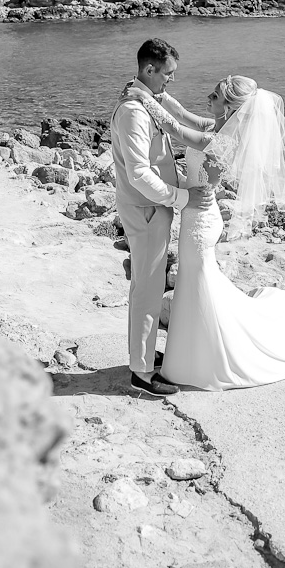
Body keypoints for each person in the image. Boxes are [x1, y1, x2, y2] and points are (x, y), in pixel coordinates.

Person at [122, 75, 285, 390]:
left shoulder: (224, 141)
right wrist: (154, 94)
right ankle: (193, 354)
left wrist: (144, 100)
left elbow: (175, 129)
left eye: (215, 95)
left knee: (198, 283)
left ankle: (203, 358)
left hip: (200, 221)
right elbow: (181, 114)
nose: (208, 97)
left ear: (230, 107)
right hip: (197, 214)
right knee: (196, 284)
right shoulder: (215, 128)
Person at [111, 39, 215, 396]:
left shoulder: (148, 99)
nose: (171, 80)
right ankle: (141, 374)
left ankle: (140, 354)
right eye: (168, 74)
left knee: (145, 285)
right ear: (149, 69)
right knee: (148, 289)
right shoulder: (134, 112)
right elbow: (140, 173)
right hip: (145, 210)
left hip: (151, 208)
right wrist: (182, 197)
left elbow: (184, 123)